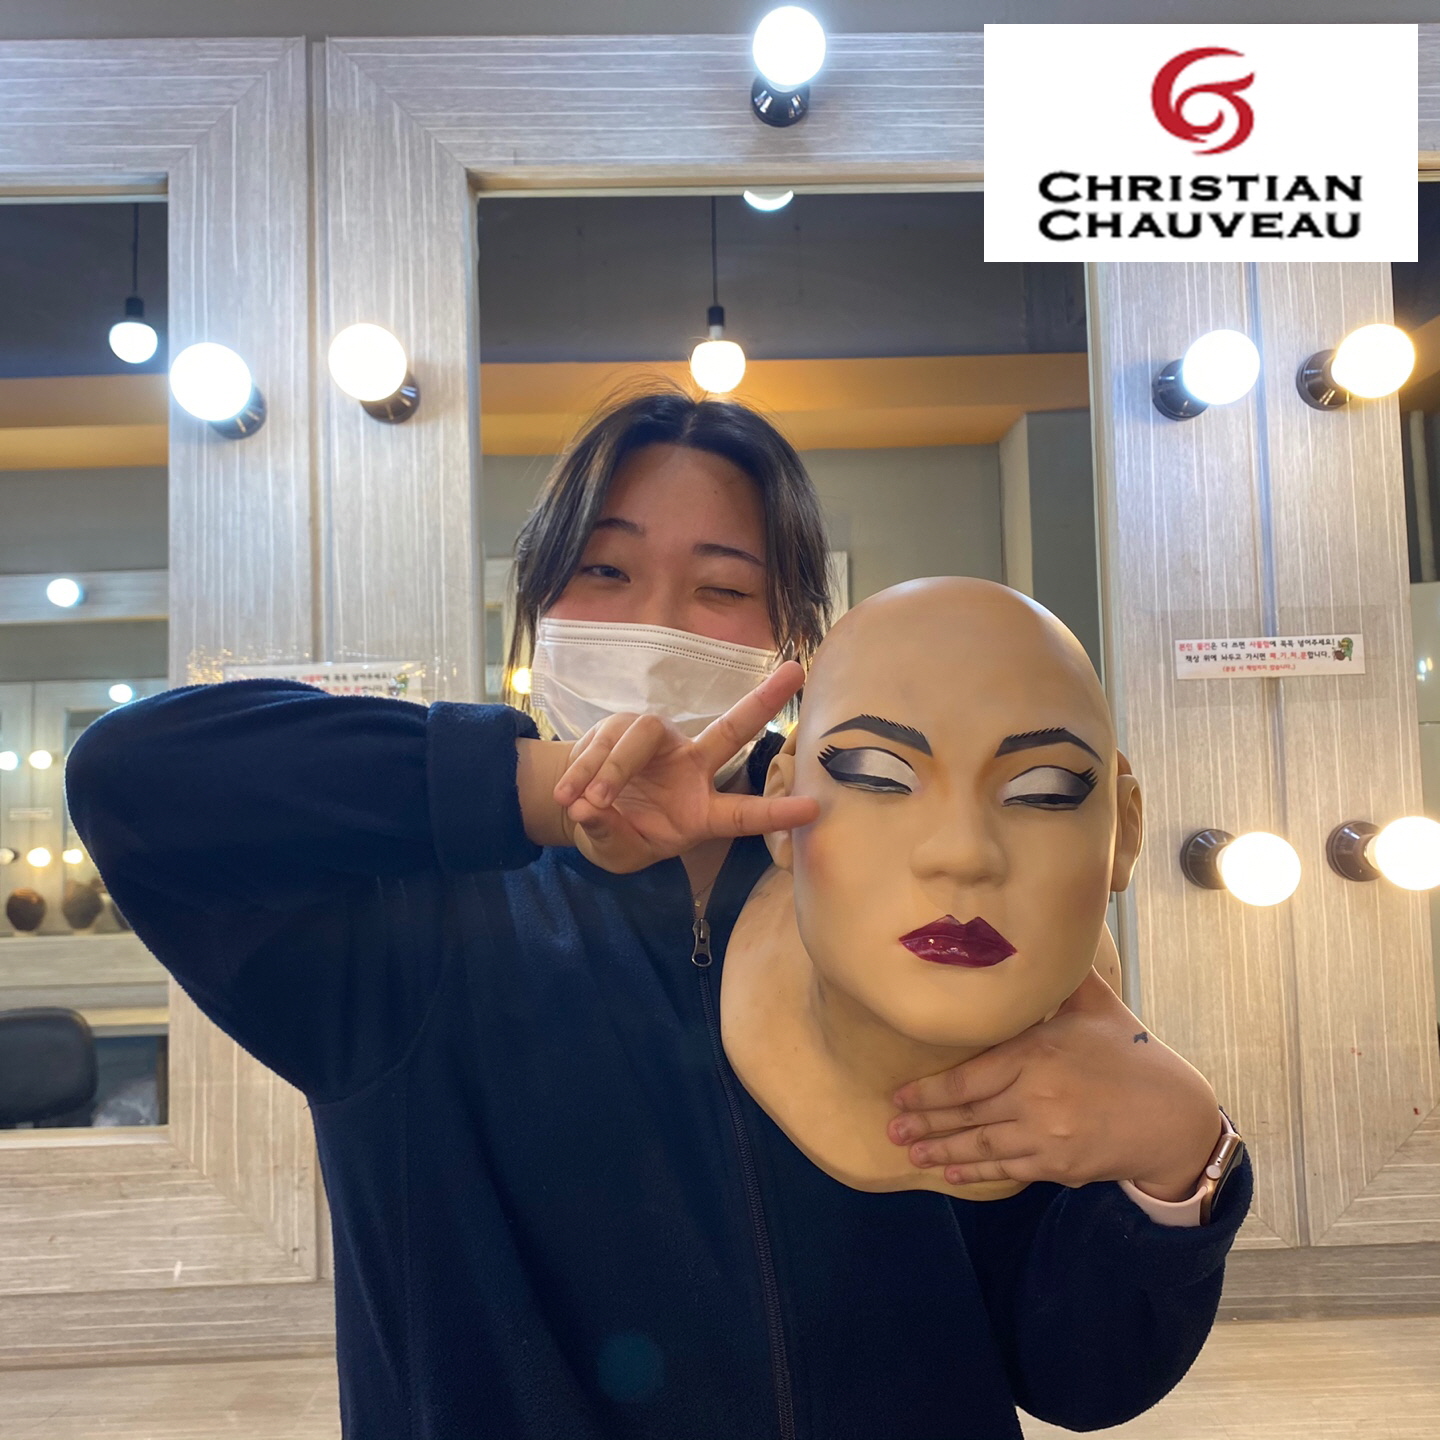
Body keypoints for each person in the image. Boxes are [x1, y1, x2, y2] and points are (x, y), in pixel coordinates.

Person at [66, 387, 1251, 1440]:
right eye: (605, 572)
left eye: (725, 587)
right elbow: (137, 778)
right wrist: (540, 787)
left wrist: (1180, 1171)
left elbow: (1076, 1374)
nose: (661, 619)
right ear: (537, 607)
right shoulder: (404, 936)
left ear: (795, 645)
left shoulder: (932, 938)